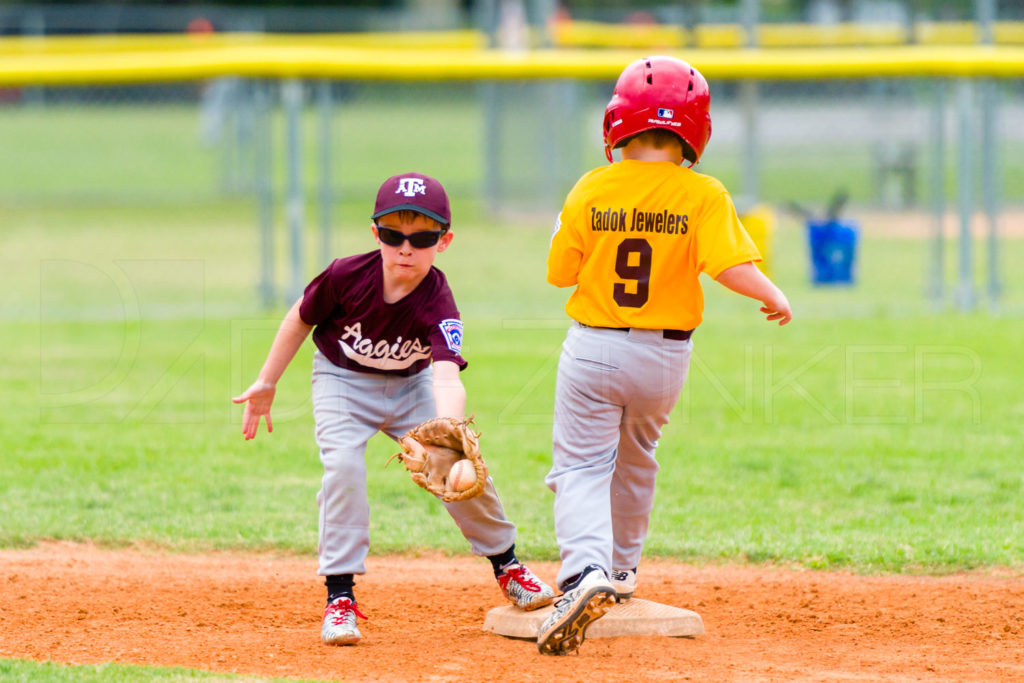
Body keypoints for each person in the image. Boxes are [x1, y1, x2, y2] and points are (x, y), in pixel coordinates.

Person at [538, 57, 793, 656]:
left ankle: (583, 573)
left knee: (580, 466)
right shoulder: (703, 192)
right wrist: (772, 291)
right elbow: (730, 266)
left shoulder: (591, 187)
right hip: (665, 358)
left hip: (595, 346)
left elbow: (558, 274)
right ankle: (622, 572)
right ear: (695, 131)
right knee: (636, 457)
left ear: (616, 126)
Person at [233, 172, 554, 646]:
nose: (406, 248)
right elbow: (299, 318)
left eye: (422, 237)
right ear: (375, 234)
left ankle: (507, 566)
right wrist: (266, 381)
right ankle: (339, 598)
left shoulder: (439, 300)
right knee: (342, 468)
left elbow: (445, 374)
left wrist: (448, 429)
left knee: (458, 466)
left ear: (443, 242)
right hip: (342, 382)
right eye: (392, 234)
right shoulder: (346, 275)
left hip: (412, 387)